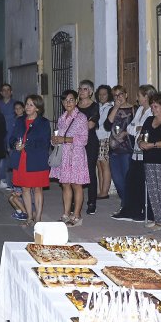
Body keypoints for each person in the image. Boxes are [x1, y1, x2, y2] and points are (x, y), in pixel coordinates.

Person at [112, 84, 156, 221]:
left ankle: (145, 211)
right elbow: (132, 127)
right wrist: (136, 129)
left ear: (146, 96)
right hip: (135, 151)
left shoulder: (151, 111)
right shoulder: (140, 110)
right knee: (131, 181)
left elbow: (145, 127)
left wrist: (136, 128)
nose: (137, 98)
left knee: (143, 182)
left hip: (145, 151)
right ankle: (130, 209)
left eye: (139, 95)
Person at [9, 95, 50, 226]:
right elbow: (12, 137)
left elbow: (44, 143)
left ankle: (38, 218)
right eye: (26, 104)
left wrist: (25, 145)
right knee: (25, 189)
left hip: (36, 159)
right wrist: (15, 144)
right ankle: (29, 217)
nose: (27, 107)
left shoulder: (43, 122)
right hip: (21, 160)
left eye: (31, 105)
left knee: (37, 189)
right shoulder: (20, 120)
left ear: (37, 108)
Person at [50, 89, 89, 227]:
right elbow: (58, 136)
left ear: (76, 101)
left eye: (71, 100)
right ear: (62, 102)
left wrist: (64, 139)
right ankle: (66, 214)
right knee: (65, 184)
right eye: (65, 100)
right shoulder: (62, 118)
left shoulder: (81, 118)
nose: (68, 102)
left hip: (76, 155)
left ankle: (77, 216)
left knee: (76, 185)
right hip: (64, 155)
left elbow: (83, 140)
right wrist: (54, 140)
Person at [138, 93, 161, 230]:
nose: (153, 109)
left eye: (156, 106)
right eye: (152, 106)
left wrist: (152, 145)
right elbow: (142, 136)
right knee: (152, 189)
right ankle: (156, 218)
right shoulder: (149, 120)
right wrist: (140, 142)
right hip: (149, 158)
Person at [103, 85, 134, 213]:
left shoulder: (134, 109)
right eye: (115, 95)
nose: (118, 97)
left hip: (127, 148)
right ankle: (125, 203)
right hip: (114, 148)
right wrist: (116, 107)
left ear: (126, 94)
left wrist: (126, 133)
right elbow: (106, 125)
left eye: (120, 94)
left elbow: (137, 126)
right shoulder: (112, 109)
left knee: (127, 178)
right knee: (117, 179)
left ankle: (128, 206)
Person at [76, 81, 100, 216]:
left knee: (90, 171)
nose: (81, 91)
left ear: (90, 92)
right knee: (75, 171)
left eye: (85, 89)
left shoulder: (94, 106)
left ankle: (92, 203)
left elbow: (90, 125)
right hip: (75, 143)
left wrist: (76, 126)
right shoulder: (74, 106)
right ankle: (74, 201)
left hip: (90, 142)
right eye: (80, 89)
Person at [95, 85, 113, 199]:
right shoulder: (99, 106)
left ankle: (105, 191)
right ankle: (101, 189)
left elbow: (100, 122)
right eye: (100, 94)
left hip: (104, 138)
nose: (102, 96)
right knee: (99, 165)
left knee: (104, 165)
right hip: (97, 138)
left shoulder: (109, 107)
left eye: (104, 94)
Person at [0, 83, 16, 188]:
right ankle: (3, 180)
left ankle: (13, 183)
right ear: (1, 93)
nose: (6, 92)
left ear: (11, 92)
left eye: (8, 90)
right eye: (3, 90)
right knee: (1, 159)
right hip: (0, 136)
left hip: (12, 135)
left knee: (13, 159)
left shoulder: (15, 105)